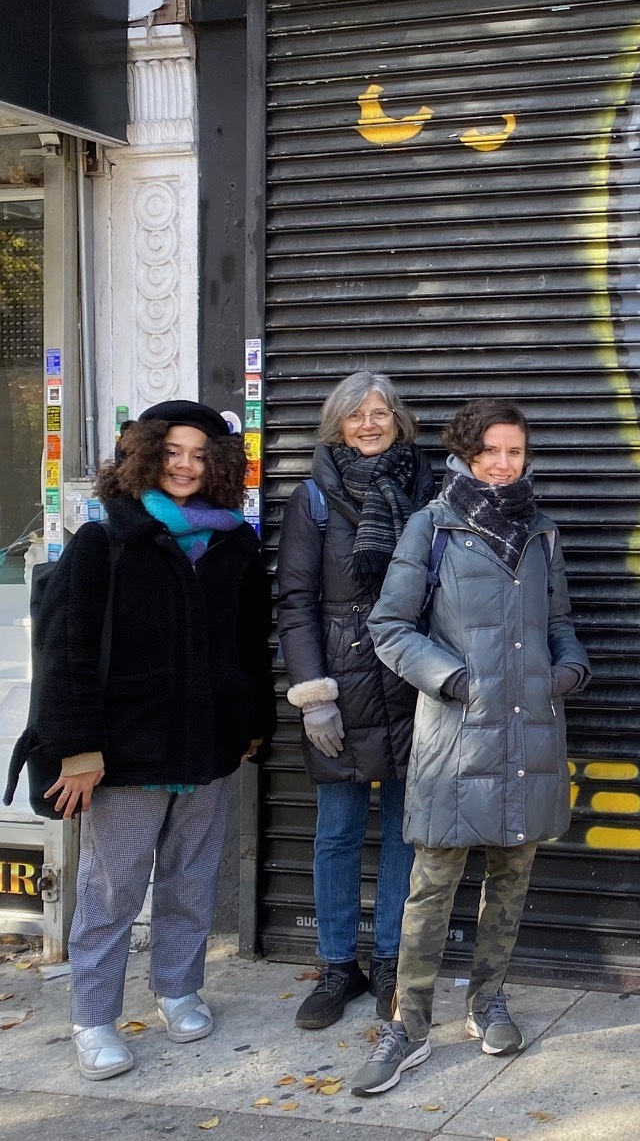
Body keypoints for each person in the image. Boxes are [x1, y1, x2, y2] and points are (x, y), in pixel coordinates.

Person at [351, 398, 589, 1096]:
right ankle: (408, 1027)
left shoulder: (541, 532)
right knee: (432, 883)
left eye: (516, 452)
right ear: (466, 451)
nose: (506, 463)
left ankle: (487, 1003)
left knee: (511, 878)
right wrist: (452, 679)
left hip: (531, 731)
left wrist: (567, 669)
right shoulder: (433, 526)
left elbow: (562, 620)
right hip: (457, 734)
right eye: (493, 451)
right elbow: (389, 627)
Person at [32, 400, 272, 1080]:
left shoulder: (235, 545)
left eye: (201, 454)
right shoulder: (105, 542)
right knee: (111, 892)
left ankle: (177, 987)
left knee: (190, 880)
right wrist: (77, 752)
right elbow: (67, 652)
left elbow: (250, 645)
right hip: (125, 755)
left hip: (209, 748)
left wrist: (253, 723)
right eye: (172, 452)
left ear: (219, 464)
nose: (187, 465)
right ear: (146, 456)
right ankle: (93, 1018)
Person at [277, 372, 435, 1029]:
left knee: (406, 831)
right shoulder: (314, 500)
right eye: (354, 415)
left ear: (398, 420)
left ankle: (393, 961)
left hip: (412, 683)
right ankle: (338, 966)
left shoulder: (430, 490)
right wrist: (314, 697)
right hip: (341, 688)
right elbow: (295, 603)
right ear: (336, 425)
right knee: (337, 834)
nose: (369, 424)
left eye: (380, 412)